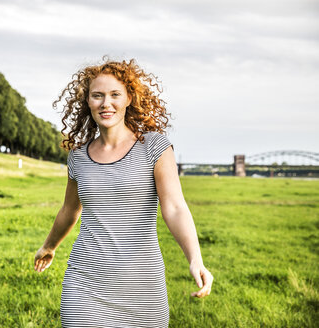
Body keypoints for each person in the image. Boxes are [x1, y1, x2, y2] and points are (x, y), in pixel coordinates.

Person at [34, 58, 213, 327]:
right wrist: (49, 246)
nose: (106, 103)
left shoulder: (154, 147)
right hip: (85, 284)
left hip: (143, 289)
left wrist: (195, 258)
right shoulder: (78, 157)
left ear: (129, 98)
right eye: (98, 96)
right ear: (88, 102)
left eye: (115, 94)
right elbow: (70, 210)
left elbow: (174, 207)